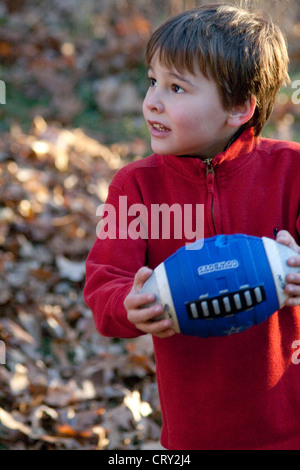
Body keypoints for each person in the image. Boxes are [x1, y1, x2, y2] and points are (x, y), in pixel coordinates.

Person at [84, 3, 300, 449]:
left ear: (239, 107)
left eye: (177, 88)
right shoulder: (135, 186)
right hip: (194, 433)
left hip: (290, 423)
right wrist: (129, 303)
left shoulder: (291, 171)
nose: (152, 101)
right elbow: (103, 284)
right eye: (152, 81)